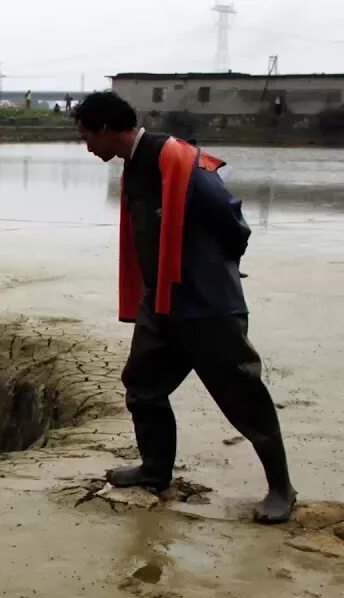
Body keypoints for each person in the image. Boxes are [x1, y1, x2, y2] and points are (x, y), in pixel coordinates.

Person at [73, 90, 296, 524]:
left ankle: (281, 488)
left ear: (105, 129)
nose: (87, 147)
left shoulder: (178, 161)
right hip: (161, 303)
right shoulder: (134, 167)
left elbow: (232, 220)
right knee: (142, 385)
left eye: (86, 137)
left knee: (243, 395)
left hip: (207, 306)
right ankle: (156, 471)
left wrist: (216, 267)